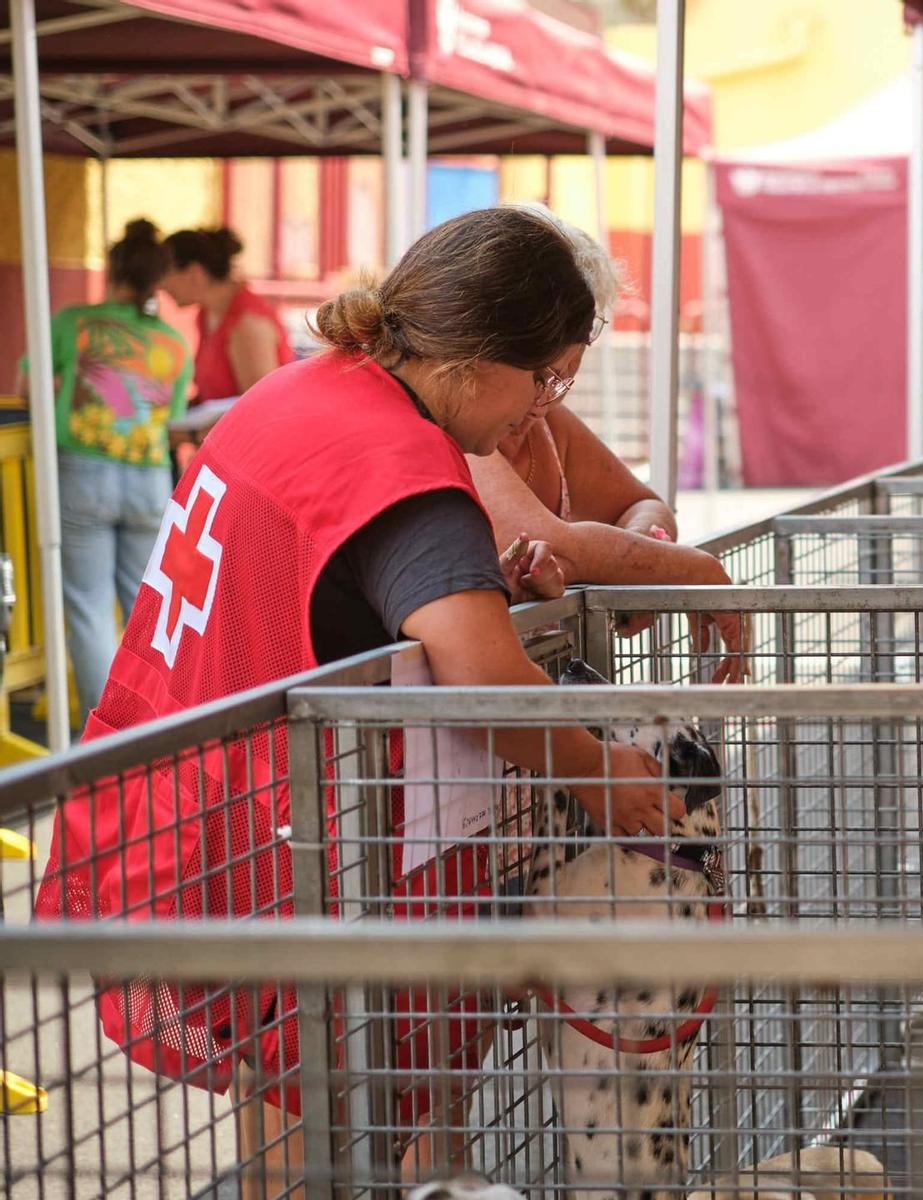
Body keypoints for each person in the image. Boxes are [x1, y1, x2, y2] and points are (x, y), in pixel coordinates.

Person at [33, 206, 700, 1194]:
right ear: (477, 356)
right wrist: (602, 776)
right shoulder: (402, 467)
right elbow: (483, 674)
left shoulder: (305, 390)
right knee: (347, 1112)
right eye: (545, 378)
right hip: (267, 839)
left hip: (183, 805)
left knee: (301, 1100)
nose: (543, 408)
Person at [467, 208, 744, 649]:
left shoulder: (548, 421)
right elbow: (553, 544)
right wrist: (683, 566)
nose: (545, 395)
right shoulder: (462, 430)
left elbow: (644, 504)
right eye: (539, 374)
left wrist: (641, 554)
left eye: (562, 375)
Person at [23, 219, 193, 713]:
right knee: (148, 612)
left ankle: (108, 738)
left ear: (113, 270)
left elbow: (30, 385)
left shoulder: (74, 322)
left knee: (88, 607)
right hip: (149, 478)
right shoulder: (173, 344)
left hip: (82, 472)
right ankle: (154, 724)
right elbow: (174, 419)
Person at [160, 226, 295, 408]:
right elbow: (213, 398)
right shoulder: (206, 314)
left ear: (194, 273)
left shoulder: (248, 322)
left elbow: (259, 408)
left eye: (165, 273)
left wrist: (191, 430)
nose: (160, 284)